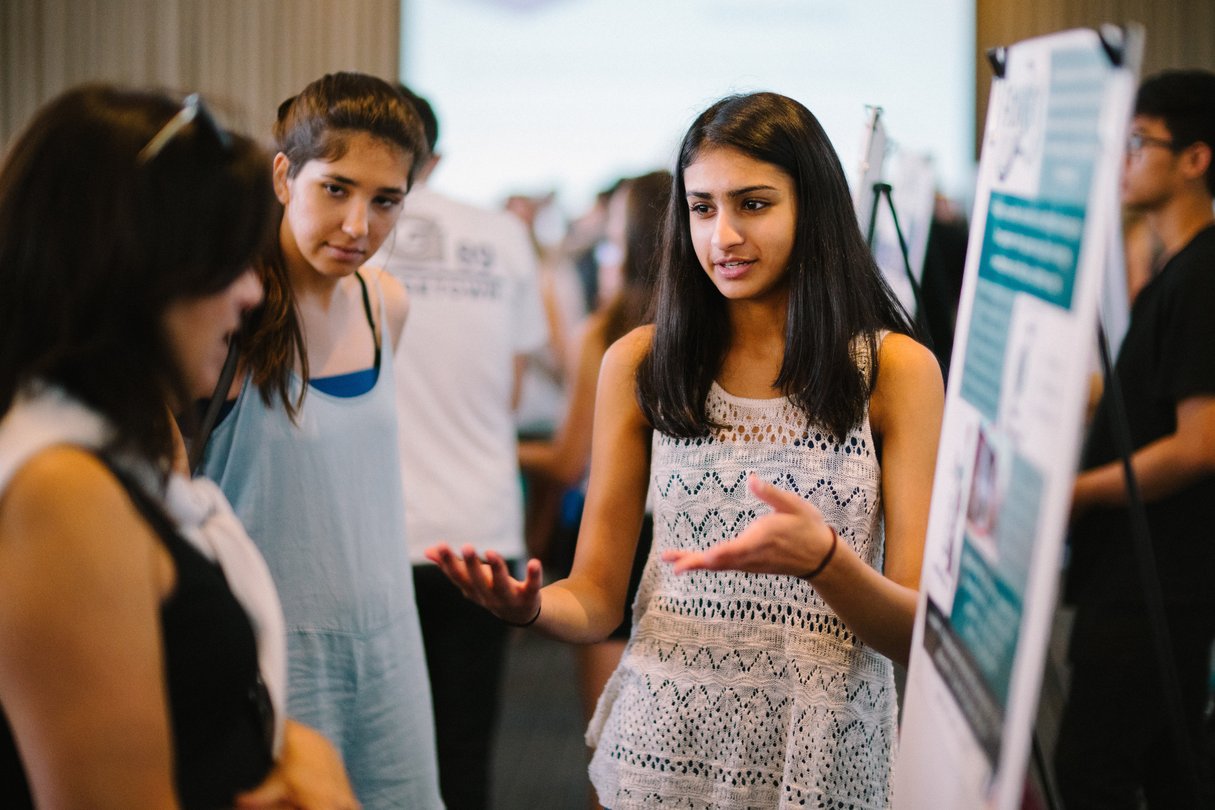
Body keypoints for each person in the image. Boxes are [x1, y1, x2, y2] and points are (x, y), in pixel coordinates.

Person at [428, 91, 944, 808]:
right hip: (661, 752)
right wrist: (532, 611)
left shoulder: (893, 372)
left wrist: (825, 563)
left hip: (820, 763)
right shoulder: (642, 361)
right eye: (702, 208)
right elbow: (598, 599)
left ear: (815, 208)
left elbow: (914, 630)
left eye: (753, 204)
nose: (722, 235)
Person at [0, 85, 355, 808]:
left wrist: (297, 749)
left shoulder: (108, 439)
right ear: (136, 270)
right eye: (228, 263)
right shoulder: (61, 490)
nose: (253, 293)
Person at [200, 72, 443, 809]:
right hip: (269, 652)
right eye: (334, 189)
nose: (357, 225)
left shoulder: (384, 305)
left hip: (386, 647)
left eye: (384, 200)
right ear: (284, 175)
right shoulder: (225, 314)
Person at [373, 84, 546, 810]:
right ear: (434, 155)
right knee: (465, 750)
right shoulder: (501, 236)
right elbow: (511, 391)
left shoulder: (342, 237)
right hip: (481, 529)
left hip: (375, 532)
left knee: (371, 751)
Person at [1055, 68, 1215, 810]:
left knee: (1094, 767)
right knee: (1165, 769)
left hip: (1158, 578)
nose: (1121, 159)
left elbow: (1199, 443)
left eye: (1136, 142)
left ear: (1194, 158)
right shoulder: (1175, 271)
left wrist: (1077, 493)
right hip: (1144, 569)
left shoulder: (1202, 275)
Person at [519, 170, 670, 736]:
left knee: (612, 754)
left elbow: (567, 459)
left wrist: (503, 451)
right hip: (694, 537)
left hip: (621, 536)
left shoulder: (607, 329)